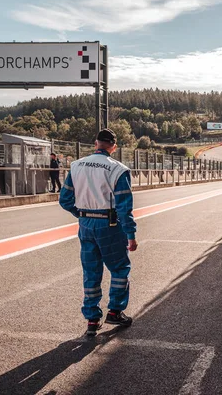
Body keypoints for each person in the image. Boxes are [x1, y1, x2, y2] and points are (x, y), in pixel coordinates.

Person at [59, 129, 138, 336]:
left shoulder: (76, 166)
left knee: (91, 272)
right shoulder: (118, 169)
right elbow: (124, 207)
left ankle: (92, 320)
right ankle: (115, 311)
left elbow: (64, 200)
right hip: (110, 225)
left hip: (86, 224)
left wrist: (83, 215)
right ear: (114, 146)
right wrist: (131, 234)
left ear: (96, 143)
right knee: (120, 268)